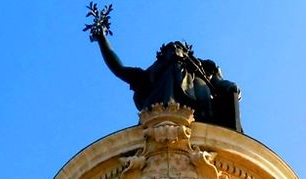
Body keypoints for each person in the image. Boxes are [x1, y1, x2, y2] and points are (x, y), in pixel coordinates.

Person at [91, 29, 242, 132]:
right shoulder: (151, 74)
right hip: (159, 113)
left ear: (188, 51)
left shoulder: (204, 69)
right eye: (170, 48)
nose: (175, 49)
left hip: (201, 112)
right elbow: (119, 69)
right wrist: (102, 39)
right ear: (162, 55)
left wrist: (231, 87)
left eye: (179, 47)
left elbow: (220, 83)